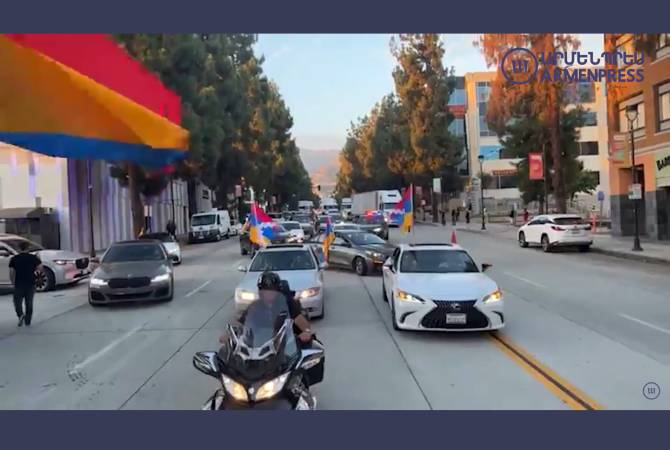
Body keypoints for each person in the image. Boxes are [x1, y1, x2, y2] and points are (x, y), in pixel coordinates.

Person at [220, 271, 314, 345]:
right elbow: (240, 324)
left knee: (310, 354)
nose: (268, 294)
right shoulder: (255, 306)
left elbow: (301, 321)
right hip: (260, 347)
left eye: (271, 291)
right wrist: (230, 335)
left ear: (278, 291)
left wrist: (306, 332)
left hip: (286, 344)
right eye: (264, 290)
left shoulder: (288, 304)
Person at [9, 241, 43, 327]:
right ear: (28, 248)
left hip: (19, 283)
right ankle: (28, 321)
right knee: (29, 302)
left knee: (17, 302)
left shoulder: (14, 259)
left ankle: (20, 315)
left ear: (19, 248)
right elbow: (40, 269)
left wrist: (13, 282)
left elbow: (12, 272)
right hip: (31, 283)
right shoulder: (33, 258)